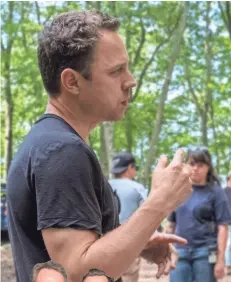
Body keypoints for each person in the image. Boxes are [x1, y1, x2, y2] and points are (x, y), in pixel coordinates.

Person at [6, 10, 192, 282]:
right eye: (116, 71)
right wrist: (159, 203)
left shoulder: (48, 142)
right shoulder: (62, 151)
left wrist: (135, 241)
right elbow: (76, 272)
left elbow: (77, 255)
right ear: (72, 82)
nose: (130, 81)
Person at [166, 147, 231, 282]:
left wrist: (221, 260)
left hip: (205, 252)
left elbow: (223, 227)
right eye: (192, 164)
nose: (195, 168)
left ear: (208, 167)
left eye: (200, 165)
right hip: (179, 252)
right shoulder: (178, 190)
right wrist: (167, 251)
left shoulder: (216, 192)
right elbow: (170, 224)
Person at [109, 152, 148, 282]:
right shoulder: (137, 188)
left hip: (103, 242)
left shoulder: (102, 186)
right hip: (129, 242)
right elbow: (147, 214)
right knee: (128, 277)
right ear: (130, 167)